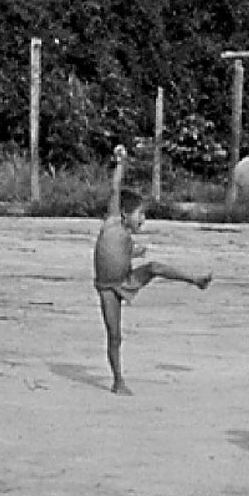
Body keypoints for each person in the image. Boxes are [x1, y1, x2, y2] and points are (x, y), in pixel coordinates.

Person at [94, 144, 212, 396]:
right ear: (125, 213)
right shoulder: (113, 221)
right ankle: (118, 380)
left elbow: (121, 254)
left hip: (125, 279)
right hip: (107, 289)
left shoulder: (125, 235)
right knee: (114, 336)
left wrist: (135, 253)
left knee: (155, 267)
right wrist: (120, 163)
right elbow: (115, 189)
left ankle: (195, 279)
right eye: (140, 215)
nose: (143, 220)